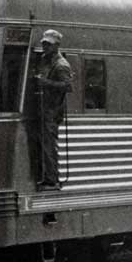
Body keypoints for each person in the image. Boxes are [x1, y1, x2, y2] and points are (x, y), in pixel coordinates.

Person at [33, 29, 73, 190]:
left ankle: (52, 178)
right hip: (44, 107)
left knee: (49, 144)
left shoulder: (61, 64)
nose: (45, 46)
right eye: (44, 43)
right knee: (44, 144)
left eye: (48, 44)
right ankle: (47, 176)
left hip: (53, 109)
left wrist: (45, 83)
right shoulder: (45, 59)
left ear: (56, 45)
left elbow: (67, 86)